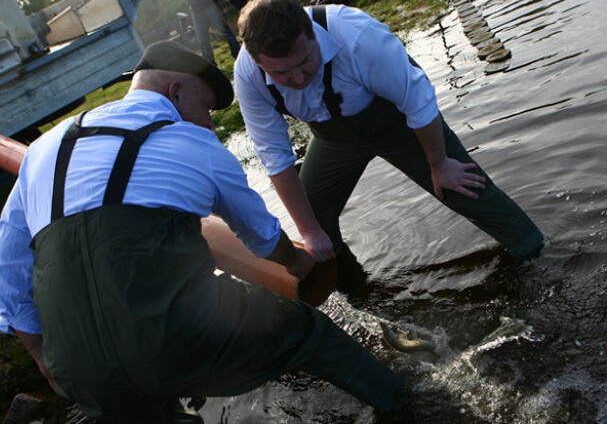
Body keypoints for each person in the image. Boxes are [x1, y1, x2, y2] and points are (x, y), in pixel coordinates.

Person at [0, 40, 402, 421]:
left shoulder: (43, 149)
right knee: (309, 335)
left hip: (74, 362)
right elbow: (262, 237)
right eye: (207, 106)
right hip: (171, 334)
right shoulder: (195, 143)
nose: (210, 121)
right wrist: (299, 263)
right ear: (175, 91)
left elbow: (9, 261)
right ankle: (409, 401)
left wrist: (41, 353)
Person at [234, 0, 544, 286]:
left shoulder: (356, 35)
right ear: (258, 62)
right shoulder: (248, 75)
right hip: (333, 138)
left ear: (312, 34)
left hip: (398, 123)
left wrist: (439, 163)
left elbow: (418, 101)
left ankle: (538, 256)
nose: (298, 78)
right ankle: (349, 286)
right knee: (311, 217)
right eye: (283, 73)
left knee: (461, 186)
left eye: (305, 62)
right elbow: (274, 156)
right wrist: (308, 231)